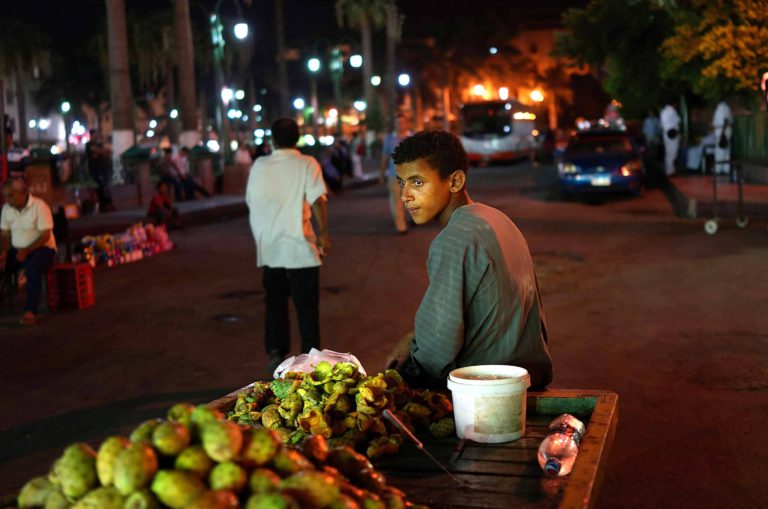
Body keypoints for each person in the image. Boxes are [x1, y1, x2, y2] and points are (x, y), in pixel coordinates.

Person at [385, 130, 553, 390]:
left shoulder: (454, 239)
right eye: (401, 182)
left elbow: (436, 351)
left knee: (396, 377)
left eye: (417, 182)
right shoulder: (496, 218)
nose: (405, 195)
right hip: (529, 373)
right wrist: (412, 337)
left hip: (485, 385)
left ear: (455, 181)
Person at [245, 118, 330, 374]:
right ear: (297, 138)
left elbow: (252, 200)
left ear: (272, 140)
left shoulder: (259, 165)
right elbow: (317, 200)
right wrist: (324, 234)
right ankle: (310, 359)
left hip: (270, 247)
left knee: (275, 304)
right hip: (300, 248)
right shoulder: (307, 163)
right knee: (306, 308)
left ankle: (276, 352)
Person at [1, 178, 57, 325]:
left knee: (33, 268)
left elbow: (45, 235)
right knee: (2, 266)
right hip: (18, 250)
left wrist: (26, 251)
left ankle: (30, 311)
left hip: (42, 249)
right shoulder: (7, 209)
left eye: (10, 196)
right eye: (5, 196)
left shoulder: (39, 206)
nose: (7, 200)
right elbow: (5, 235)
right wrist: (4, 252)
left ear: (22, 193)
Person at [380, 116, 411, 234]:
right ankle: (401, 226)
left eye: (402, 122)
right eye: (398, 123)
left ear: (407, 124)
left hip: (412, 176)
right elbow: (384, 157)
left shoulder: (412, 138)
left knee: (413, 198)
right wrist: (382, 174)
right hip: (395, 174)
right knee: (396, 200)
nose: (400, 125)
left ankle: (413, 218)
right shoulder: (389, 139)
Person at [85, 130, 114, 211]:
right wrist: (100, 152)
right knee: (99, 186)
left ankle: (107, 204)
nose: (96, 136)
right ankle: (102, 205)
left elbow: (108, 152)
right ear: (91, 135)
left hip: (102, 168)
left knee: (105, 186)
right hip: (94, 169)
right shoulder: (88, 144)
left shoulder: (99, 144)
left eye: (97, 134)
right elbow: (99, 151)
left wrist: (99, 152)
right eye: (95, 134)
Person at [712, 101, 734, 175]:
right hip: (724, 130)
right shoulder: (725, 107)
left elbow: (725, 120)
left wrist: (722, 133)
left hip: (722, 131)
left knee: (720, 151)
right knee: (725, 151)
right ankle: (725, 169)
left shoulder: (722, 107)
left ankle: (718, 170)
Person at [660, 104, 681, 176]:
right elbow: (676, 122)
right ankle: (670, 170)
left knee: (670, 152)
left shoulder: (665, 111)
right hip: (672, 133)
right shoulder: (670, 111)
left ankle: (670, 169)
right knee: (672, 152)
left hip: (669, 133)